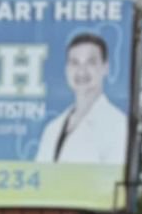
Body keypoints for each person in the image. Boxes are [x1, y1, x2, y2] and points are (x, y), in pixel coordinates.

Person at [34, 32, 129, 165]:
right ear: (67, 69)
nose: (81, 71)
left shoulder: (118, 125)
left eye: (91, 63)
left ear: (105, 68)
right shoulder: (52, 129)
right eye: (74, 63)